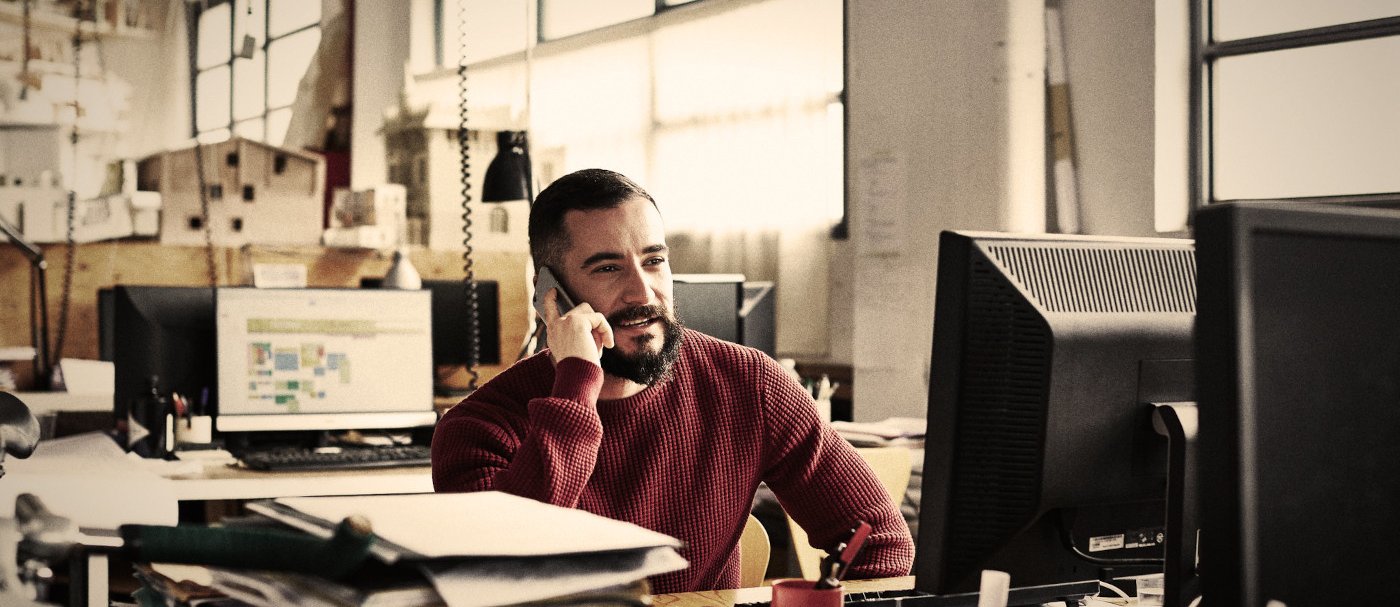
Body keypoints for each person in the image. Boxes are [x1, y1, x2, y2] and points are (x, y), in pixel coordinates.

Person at [431, 168, 913, 593]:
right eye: (607, 267)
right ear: (549, 292)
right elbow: (501, 570)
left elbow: (880, 543)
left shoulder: (749, 383)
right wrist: (577, 383)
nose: (643, 291)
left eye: (654, 260)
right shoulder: (476, 429)